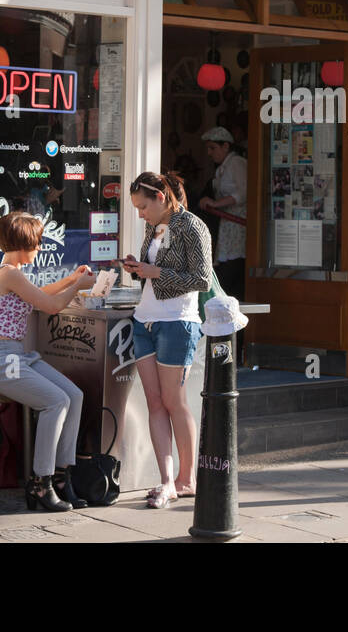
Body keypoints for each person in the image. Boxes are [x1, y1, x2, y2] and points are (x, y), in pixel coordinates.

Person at [0, 211, 96, 512]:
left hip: (14, 356)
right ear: (22, 244)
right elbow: (52, 306)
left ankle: (62, 476)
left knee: (74, 396)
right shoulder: (10, 274)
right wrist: (78, 286)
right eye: (36, 244)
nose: (39, 249)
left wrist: (70, 279)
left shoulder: (11, 273)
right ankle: (41, 482)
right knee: (55, 401)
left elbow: (40, 295)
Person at [121, 170, 213, 507]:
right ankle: (165, 481)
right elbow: (153, 270)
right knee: (155, 402)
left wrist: (156, 272)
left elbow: (202, 279)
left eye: (143, 206)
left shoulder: (192, 226)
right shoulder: (153, 227)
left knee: (175, 402)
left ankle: (186, 479)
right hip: (145, 319)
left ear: (160, 198)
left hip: (177, 322)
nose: (140, 214)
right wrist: (137, 267)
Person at [197, 126, 247, 299]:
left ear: (226, 146)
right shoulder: (221, 169)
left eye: (213, 148)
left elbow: (243, 193)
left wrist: (216, 204)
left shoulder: (237, 163)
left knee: (232, 271)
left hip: (238, 226)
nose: (210, 153)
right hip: (226, 228)